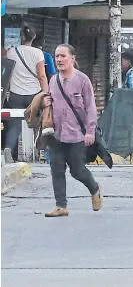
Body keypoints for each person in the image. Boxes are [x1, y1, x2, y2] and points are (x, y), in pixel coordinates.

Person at [43, 44, 103, 217]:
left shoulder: (83, 80)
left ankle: (95, 188)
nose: (59, 60)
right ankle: (61, 205)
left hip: (77, 134)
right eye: (57, 56)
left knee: (77, 170)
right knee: (56, 168)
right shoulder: (53, 80)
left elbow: (91, 107)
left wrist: (90, 131)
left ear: (72, 59)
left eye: (63, 56)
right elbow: (50, 102)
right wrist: (45, 103)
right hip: (56, 134)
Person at [4, 23, 49, 163]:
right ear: (34, 37)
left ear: (20, 37)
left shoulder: (10, 52)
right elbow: (41, 75)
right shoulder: (38, 53)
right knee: (39, 120)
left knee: (15, 124)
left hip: (15, 94)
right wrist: (46, 92)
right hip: (33, 95)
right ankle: (40, 148)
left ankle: (8, 149)